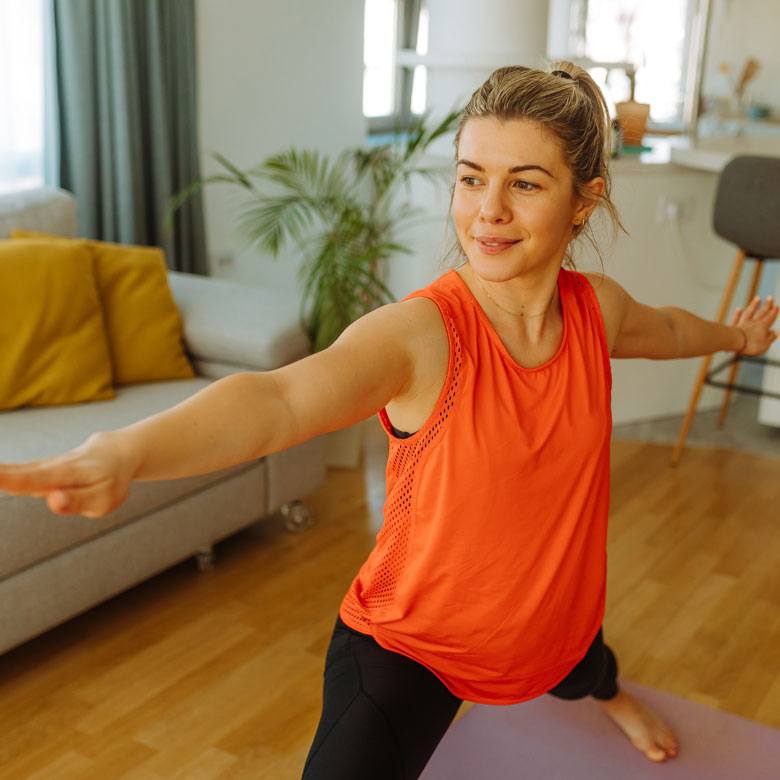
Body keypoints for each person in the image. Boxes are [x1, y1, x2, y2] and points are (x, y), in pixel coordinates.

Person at [0, 62, 777, 779]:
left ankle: (608, 690)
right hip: (415, 643)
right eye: (471, 179)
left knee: (577, 654)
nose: (488, 212)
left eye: (526, 184)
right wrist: (128, 450)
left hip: (554, 613)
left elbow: (669, 331)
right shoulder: (421, 337)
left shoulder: (595, 310)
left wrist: (735, 337)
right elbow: (278, 400)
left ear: (587, 200)